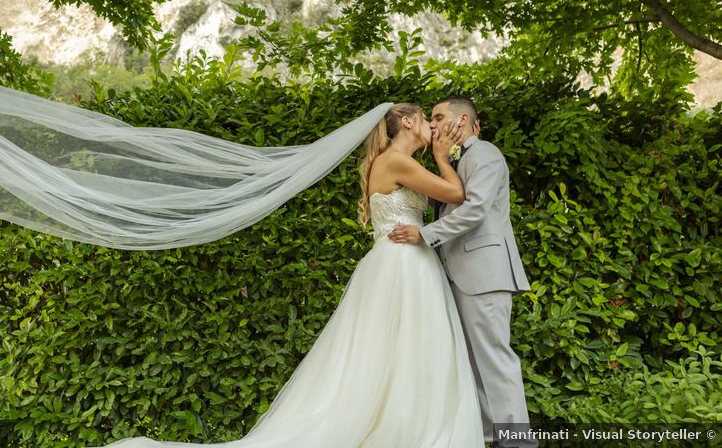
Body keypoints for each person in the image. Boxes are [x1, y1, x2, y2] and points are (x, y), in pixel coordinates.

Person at [103, 103, 483, 447]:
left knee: (400, 351)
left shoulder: (397, 162)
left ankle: (406, 424)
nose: (433, 127)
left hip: (402, 260)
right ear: (406, 122)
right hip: (403, 264)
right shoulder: (398, 161)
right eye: (426, 120)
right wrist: (441, 155)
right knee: (406, 348)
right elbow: (454, 194)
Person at [388, 97, 534, 448]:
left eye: (438, 117)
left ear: (463, 119)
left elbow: (478, 209)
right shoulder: (455, 158)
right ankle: (489, 438)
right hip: (460, 274)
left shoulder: (484, 154)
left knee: (495, 360)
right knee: (473, 363)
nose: (433, 125)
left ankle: (518, 442)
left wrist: (425, 234)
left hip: (484, 273)